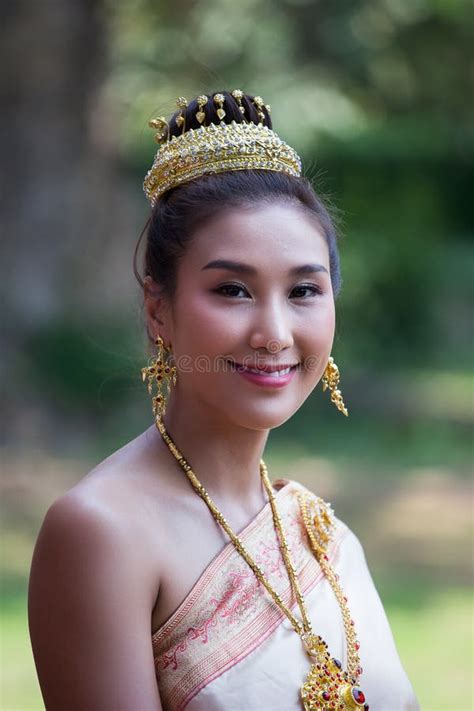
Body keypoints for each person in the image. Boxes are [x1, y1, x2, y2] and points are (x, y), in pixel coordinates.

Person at [28, 90, 420, 711]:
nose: (275, 333)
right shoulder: (103, 532)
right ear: (160, 310)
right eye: (233, 290)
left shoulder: (324, 536)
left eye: (304, 291)